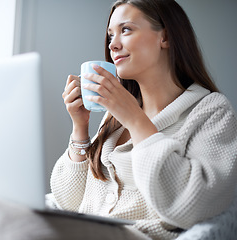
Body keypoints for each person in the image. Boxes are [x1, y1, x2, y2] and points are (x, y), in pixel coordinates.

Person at [51, 0, 237, 239]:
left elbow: (194, 205)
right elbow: (69, 201)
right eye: (110, 35)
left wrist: (135, 120)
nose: (113, 45)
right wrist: (80, 127)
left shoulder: (211, 110)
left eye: (125, 30)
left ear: (165, 37)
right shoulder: (115, 116)